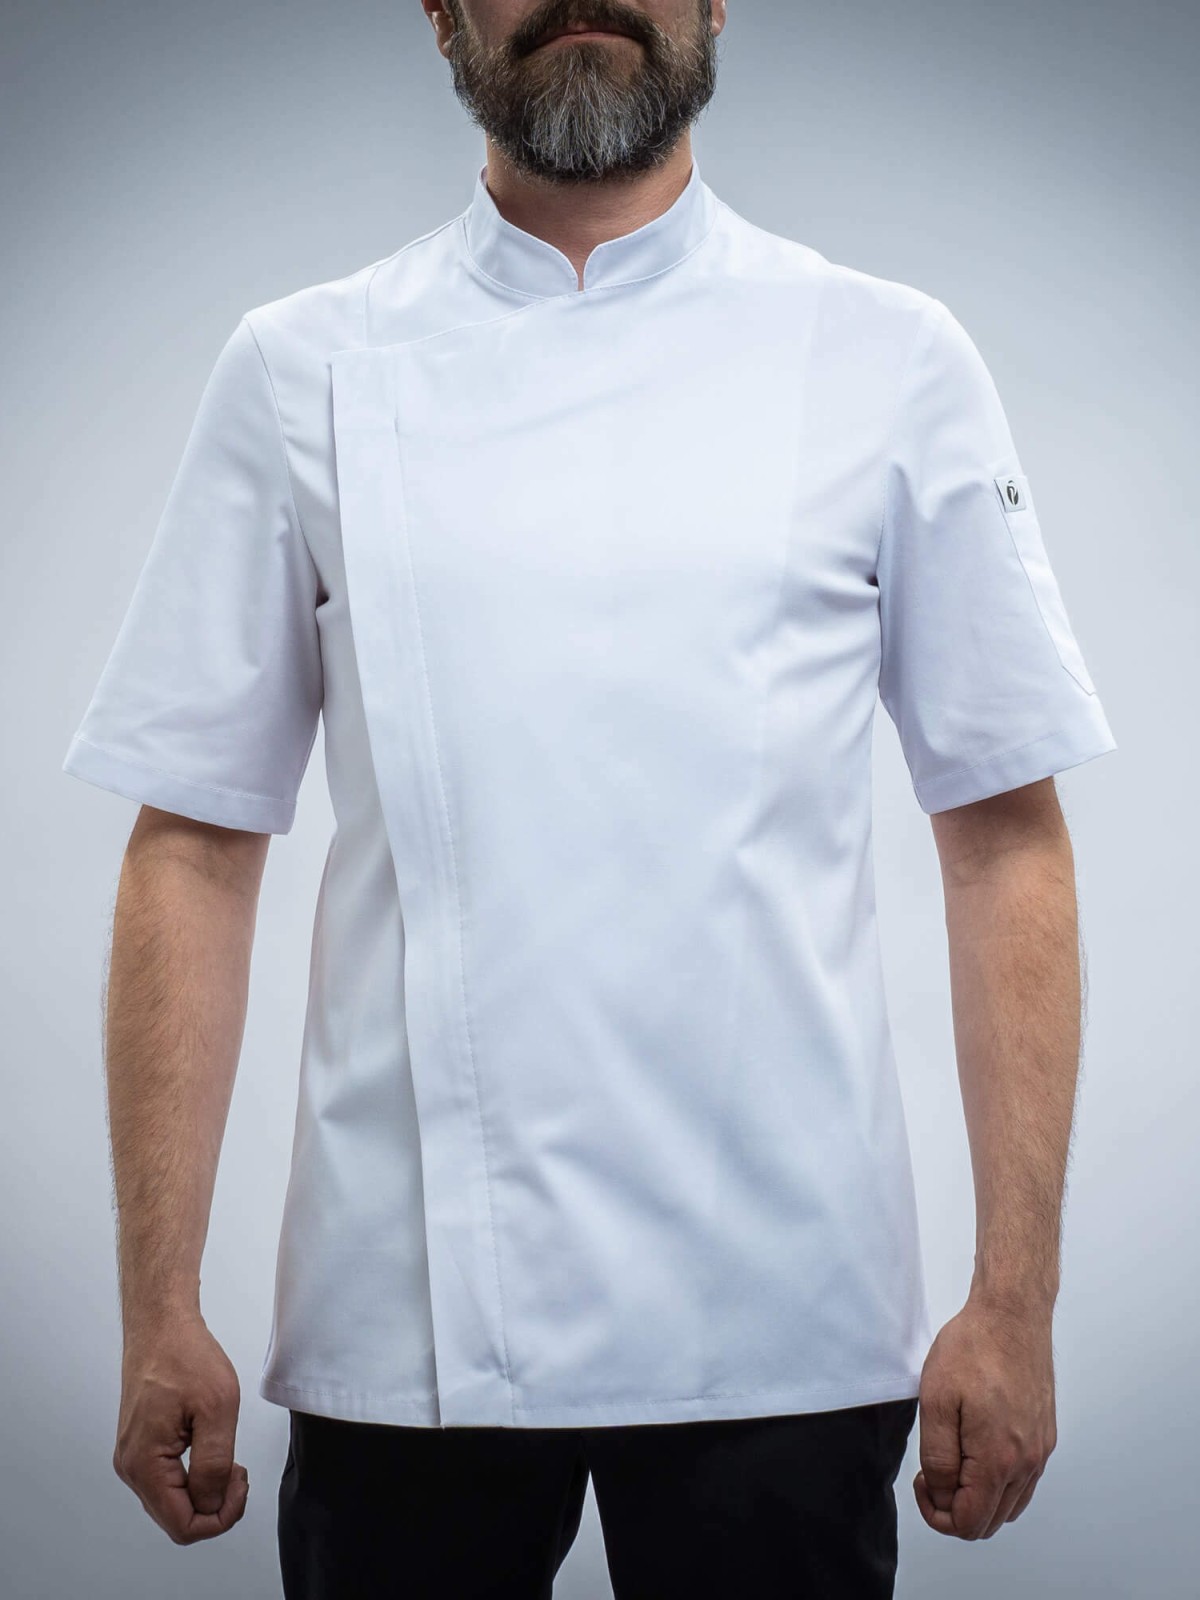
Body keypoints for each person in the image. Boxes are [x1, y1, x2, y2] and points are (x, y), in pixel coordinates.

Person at [62, 2, 1118, 1596]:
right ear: (437, 9)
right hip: (406, 1328)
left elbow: (1004, 844)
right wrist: (157, 1305)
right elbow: (194, 849)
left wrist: (1016, 1298)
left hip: (788, 1321)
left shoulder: (892, 358)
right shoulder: (302, 366)